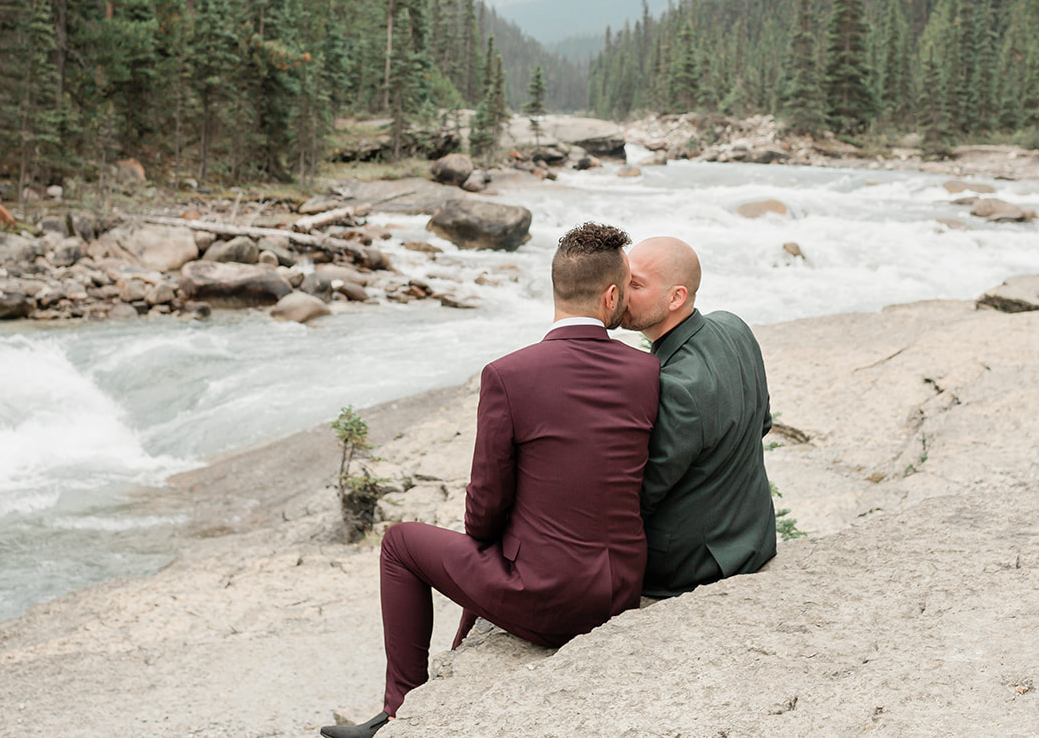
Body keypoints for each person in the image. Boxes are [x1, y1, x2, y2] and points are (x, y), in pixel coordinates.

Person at [321, 222, 660, 738]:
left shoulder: (508, 375)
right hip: (622, 588)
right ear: (612, 296)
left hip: (551, 601)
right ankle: (443, 671)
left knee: (399, 543)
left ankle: (399, 711)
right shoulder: (644, 372)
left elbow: (483, 508)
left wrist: (490, 544)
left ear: (556, 290)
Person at [622, 236, 777, 599]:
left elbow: (641, 496)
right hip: (755, 536)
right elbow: (763, 424)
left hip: (692, 566)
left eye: (636, 284)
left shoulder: (673, 385)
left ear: (676, 297)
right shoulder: (734, 327)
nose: (620, 292)